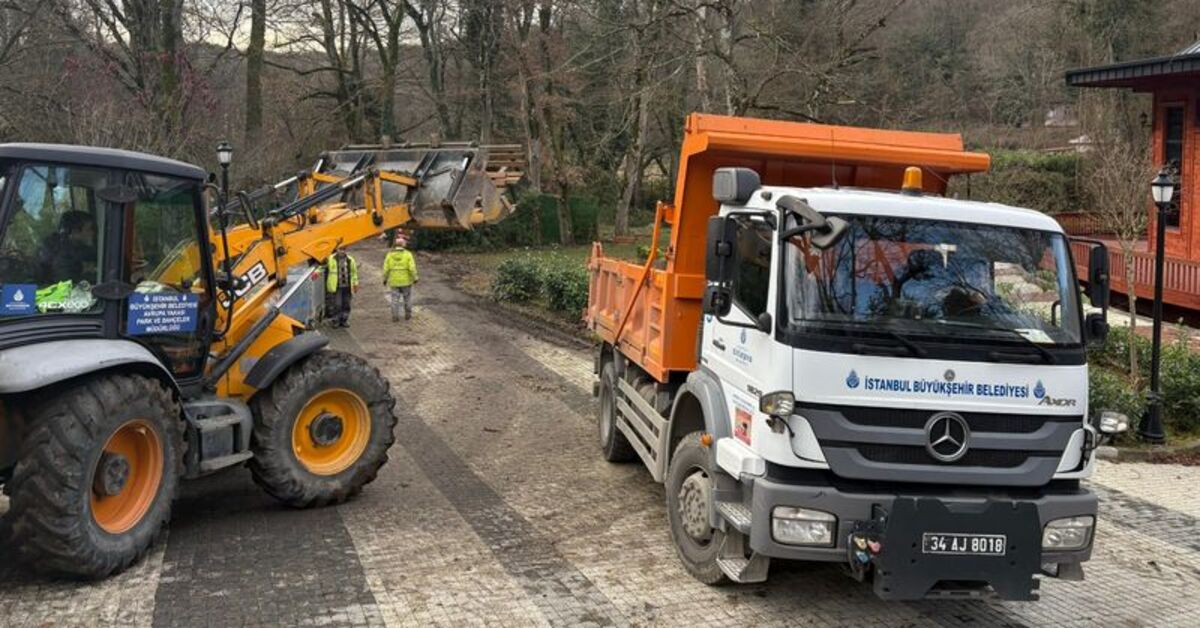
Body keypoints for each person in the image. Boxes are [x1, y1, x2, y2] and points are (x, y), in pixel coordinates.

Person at [382, 235, 418, 322]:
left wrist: (385, 279)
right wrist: (415, 278)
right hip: (406, 281)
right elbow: (412, 268)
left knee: (394, 300)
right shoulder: (408, 255)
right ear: (403, 245)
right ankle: (408, 315)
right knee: (407, 298)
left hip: (394, 281)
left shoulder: (389, 255)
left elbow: (386, 268)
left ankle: (395, 317)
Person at [325, 246, 359, 327]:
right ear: (337, 249)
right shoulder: (331, 259)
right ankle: (336, 320)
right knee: (337, 304)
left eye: (343, 249)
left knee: (346, 304)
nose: (342, 251)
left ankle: (344, 320)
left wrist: (355, 284)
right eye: (340, 249)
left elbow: (354, 273)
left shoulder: (350, 260)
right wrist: (316, 273)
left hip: (347, 286)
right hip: (336, 286)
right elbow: (323, 268)